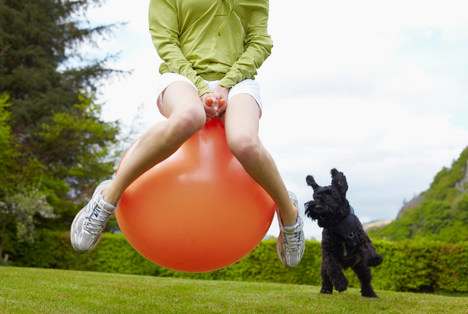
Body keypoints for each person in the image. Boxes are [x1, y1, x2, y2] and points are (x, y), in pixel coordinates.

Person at [71, 0, 305, 268]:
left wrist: (227, 84)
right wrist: (200, 88)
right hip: (182, 77)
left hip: (239, 81)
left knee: (244, 142)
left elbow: (260, 42)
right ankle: (106, 199)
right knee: (189, 116)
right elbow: (167, 43)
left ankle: (290, 214)